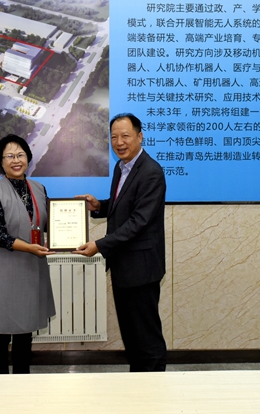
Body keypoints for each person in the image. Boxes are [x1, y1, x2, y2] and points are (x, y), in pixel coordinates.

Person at [74, 113, 167, 371]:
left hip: (141, 269)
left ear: (140, 136)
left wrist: (100, 245)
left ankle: (154, 386)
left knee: (146, 337)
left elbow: (139, 221)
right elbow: (122, 207)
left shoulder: (151, 172)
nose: (119, 142)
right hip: (124, 266)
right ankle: (137, 382)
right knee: (132, 335)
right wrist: (99, 206)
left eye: (125, 136)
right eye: (114, 137)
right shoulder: (121, 168)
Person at [0, 134, 55, 374]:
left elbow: (49, 223)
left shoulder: (39, 189)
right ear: (1, 162)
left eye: (20, 155)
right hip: (4, 269)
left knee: (26, 329)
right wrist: (30, 247)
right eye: (9, 156)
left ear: (28, 159)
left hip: (31, 269)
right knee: (0, 330)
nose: (16, 160)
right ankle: (0, 383)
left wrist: (63, 235)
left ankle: (23, 381)